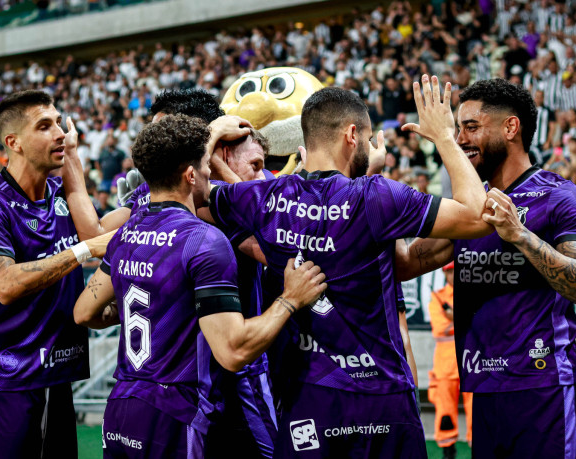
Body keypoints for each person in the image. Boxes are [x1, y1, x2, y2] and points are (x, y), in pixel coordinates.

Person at [204, 77, 491, 457]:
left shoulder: (266, 199)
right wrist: (443, 138)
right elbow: (476, 215)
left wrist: (211, 137)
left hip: (308, 404)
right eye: (370, 138)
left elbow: (193, 188)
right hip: (380, 400)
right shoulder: (377, 197)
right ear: (352, 135)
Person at [72, 114, 327, 458]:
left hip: (121, 408)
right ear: (191, 174)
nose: (212, 173)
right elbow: (233, 351)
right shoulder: (204, 240)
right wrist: (289, 299)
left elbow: (84, 311)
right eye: (207, 165)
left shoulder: (127, 232)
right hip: (175, 414)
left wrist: (159, 305)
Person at [397, 78, 576, 458]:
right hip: (486, 391)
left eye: (471, 127)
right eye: (457, 129)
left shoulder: (559, 197)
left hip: (545, 389)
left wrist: (521, 235)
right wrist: (373, 191)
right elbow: (407, 263)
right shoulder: (470, 210)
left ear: (511, 128)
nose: (460, 139)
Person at [0, 90, 114, 458]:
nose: (60, 132)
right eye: (45, 126)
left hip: (54, 377)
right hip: (0, 379)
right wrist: (81, 251)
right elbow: (6, 285)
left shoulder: (65, 195)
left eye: (60, 122)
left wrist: (71, 156)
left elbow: (97, 235)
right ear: (15, 143)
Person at [428, 262, 471, 458]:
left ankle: (476, 446)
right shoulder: (437, 297)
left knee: (476, 411)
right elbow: (439, 328)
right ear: (445, 274)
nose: (454, 275)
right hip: (445, 365)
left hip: (471, 362)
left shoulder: (473, 294)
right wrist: (465, 319)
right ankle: (448, 449)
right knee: (445, 411)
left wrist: (454, 317)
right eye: (450, 272)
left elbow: (482, 323)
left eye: (457, 271)